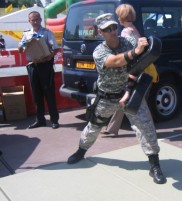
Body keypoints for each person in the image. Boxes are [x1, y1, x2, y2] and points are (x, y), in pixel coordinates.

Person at [67, 13, 166, 184]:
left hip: (130, 93)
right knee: (94, 126)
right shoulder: (99, 51)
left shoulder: (127, 42)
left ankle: (155, 165)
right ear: (100, 32)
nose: (113, 31)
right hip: (107, 97)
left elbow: (142, 61)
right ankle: (81, 151)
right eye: (108, 29)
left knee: (146, 127)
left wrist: (144, 44)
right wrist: (135, 51)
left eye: (114, 27)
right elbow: (116, 61)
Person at [102, 3, 158, 136]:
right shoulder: (134, 29)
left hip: (135, 71)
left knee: (136, 100)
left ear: (121, 17)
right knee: (125, 99)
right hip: (144, 69)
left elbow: (129, 52)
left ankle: (149, 131)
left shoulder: (125, 32)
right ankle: (112, 128)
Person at [18, 11, 60, 129]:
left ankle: (54, 120)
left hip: (45, 66)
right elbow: (20, 50)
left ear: (41, 20)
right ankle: (40, 120)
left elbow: (55, 49)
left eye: (37, 19)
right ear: (29, 21)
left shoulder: (47, 33)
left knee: (49, 93)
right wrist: (21, 45)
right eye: (33, 20)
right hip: (32, 66)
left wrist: (49, 56)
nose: (35, 22)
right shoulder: (26, 34)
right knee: (36, 95)